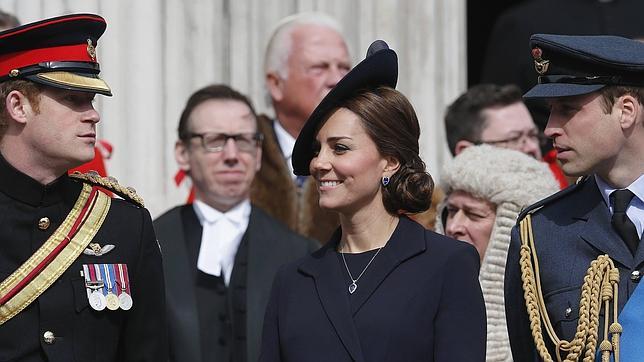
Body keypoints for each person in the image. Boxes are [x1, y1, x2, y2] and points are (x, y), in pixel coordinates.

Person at [259, 40, 486, 362]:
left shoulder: (447, 264)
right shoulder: (292, 280)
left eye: (340, 148)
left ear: (390, 160)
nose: (319, 163)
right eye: (317, 150)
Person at [0, 14, 166, 361]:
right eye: (73, 99)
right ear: (18, 106)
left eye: (90, 101)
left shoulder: (124, 224)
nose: (93, 115)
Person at [504, 34, 644, 361]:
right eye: (551, 111)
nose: (550, 128)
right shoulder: (540, 234)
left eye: (567, 109)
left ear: (625, 111)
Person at [154, 84, 318, 362]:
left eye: (243, 140)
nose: (231, 155)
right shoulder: (151, 245)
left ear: (257, 155)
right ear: (182, 153)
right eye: (215, 140)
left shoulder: (299, 254)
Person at [434, 145, 558, 362]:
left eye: (474, 214)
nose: (454, 226)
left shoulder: (550, 316)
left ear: (510, 223)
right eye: (452, 211)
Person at [444, 83, 568, 188]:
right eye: (514, 138)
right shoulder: (455, 216)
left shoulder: (562, 209)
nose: (532, 147)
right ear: (467, 153)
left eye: (533, 135)